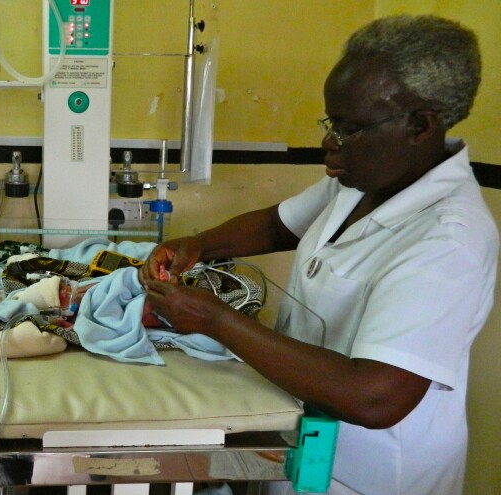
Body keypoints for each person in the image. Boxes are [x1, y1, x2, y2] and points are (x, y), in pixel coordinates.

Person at [140, 15, 496, 495]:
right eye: (332, 123)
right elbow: (274, 224)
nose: (330, 142)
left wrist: (214, 320)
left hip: (370, 475)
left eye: (349, 129)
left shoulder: (447, 241)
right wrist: (198, 245)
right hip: (303, 442)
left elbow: (374, 397)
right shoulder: (365, 183)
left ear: (419, 126)